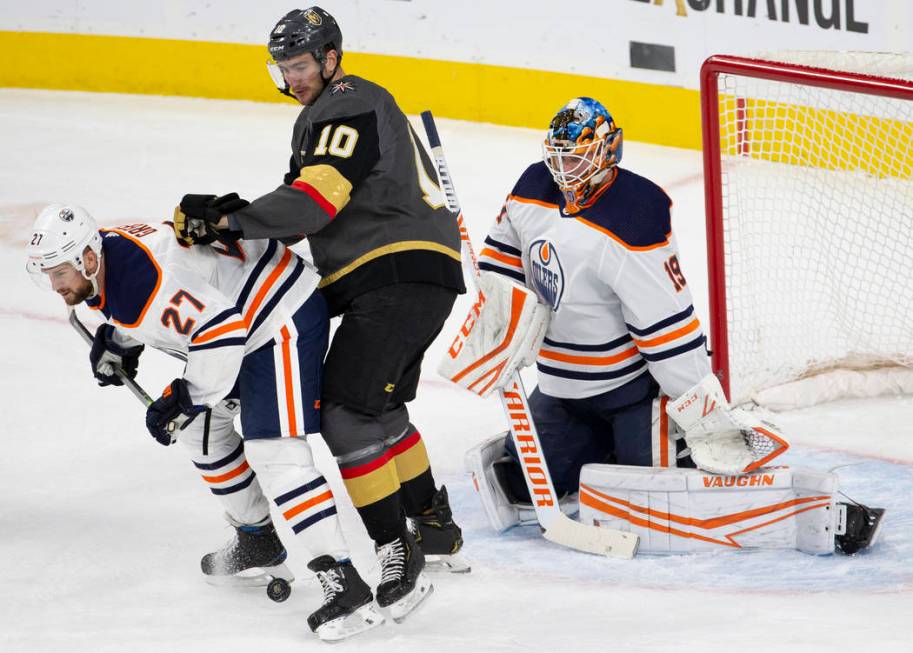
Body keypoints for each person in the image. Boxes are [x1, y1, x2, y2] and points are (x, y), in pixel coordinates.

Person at [456, 97, 884, 556]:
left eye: (577, 157)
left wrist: (698, 409)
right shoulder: (531, 188)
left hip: (633, 392)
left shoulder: (634, 215)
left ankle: (798, 502)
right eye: (557, 156)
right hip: (561, 387)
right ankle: (599, 445)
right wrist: (496, 323)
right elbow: (503, 266)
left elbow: (667, 328)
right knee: (523, 486)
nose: (564, 170)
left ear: (608, 151)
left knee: (660, 496)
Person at [171, 6, 467, 617]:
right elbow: (298, 217)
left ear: (332, 57)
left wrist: (229, 218)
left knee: (345, 415)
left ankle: (396, 547)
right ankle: (434, 524)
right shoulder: (328, 113)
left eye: (301, 64)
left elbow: (313, 204)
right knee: (381, 408)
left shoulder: (345, 103)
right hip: (414, 273)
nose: (292, 77)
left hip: (392, 270)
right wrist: (235, 230)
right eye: (283, 67)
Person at [25, 203, 385, 641]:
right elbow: (177, 292)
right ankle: (257, 539)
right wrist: (122, 340)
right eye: (47, 274)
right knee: (197, 431)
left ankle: (344, 581)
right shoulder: (108, 265)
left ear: (87, 258)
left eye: (60, 273)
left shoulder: (139, 282)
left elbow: (219, 330)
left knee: (275, 451)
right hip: (242, 321)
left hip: (277, 318)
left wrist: (187, 395)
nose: (54, 285)